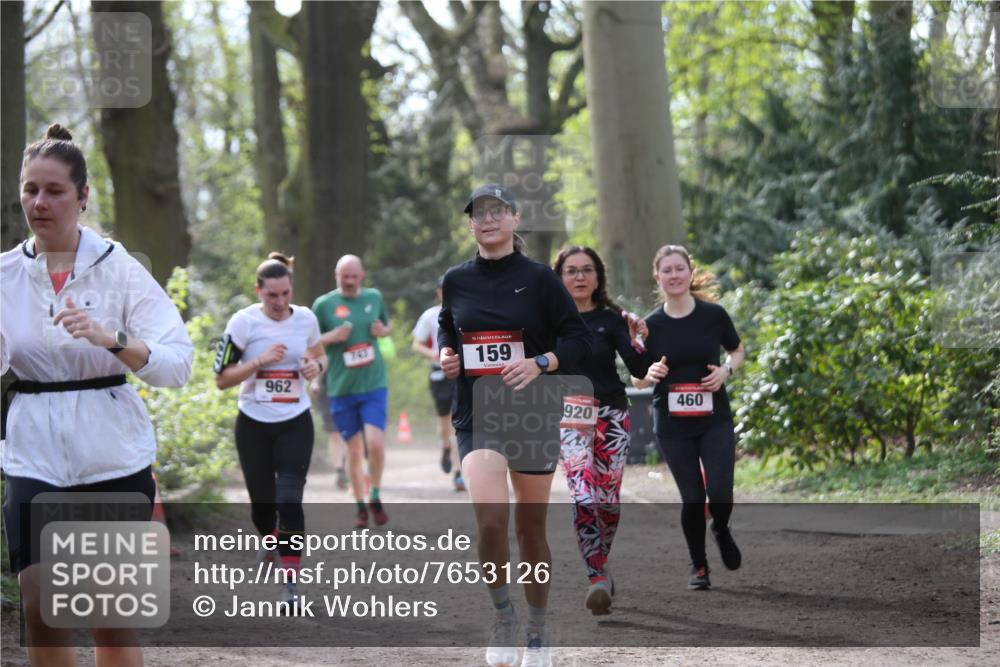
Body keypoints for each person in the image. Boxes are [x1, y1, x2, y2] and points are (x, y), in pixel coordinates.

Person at [1, 123, 193, 666]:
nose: (40, 202)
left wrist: (113, 340)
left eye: (55, 191)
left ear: (82, 197)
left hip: (112, 453)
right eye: (30, 189)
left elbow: (177, 365)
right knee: (40, 607)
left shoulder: (121, 271)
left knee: (108, 620)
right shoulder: (5, 276)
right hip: (32, 451)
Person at [438, 184, 591, 667]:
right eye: (478, 214)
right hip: (477, 414)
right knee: (489, 521)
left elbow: (578, 340)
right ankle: (503, 618)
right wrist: (447, 353)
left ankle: (538, 632)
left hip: (531, 412)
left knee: (529, 530)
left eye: (496, 212)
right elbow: (448, 325)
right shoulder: (457, 279)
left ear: (514, 219)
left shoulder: (542, 279)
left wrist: (541, 362)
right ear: (469, 225)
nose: (487, 220)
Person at [215, 252, 325, 607]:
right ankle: (272, 539)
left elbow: (320, 355)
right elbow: (221, 379)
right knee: (263, 507)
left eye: (285, 294)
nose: (279, 303)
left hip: (295, 420)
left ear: (292, 288)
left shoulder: (306, 318)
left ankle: (290, 582)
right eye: (271, 296)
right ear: (257, 291)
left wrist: (315, 369)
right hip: (254, 424)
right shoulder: (243, 323)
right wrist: (259, 362)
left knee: (290, 497)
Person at [632, 244, 746, 590]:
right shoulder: (650, 326)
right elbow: (636, 377)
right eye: (666, 270)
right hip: (672, 423)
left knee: (721, 490)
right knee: (693, 497)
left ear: (690, 272)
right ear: (657, 277)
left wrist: (726, 371)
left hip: (714, 417)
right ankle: (699, 566)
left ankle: (721, 528)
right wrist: (648, 372)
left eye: (679, 269)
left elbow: (737, 350)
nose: (674, 275)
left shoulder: (713, 315)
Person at [552, 246, 651, 614]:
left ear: (598, 277)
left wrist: (640, 336)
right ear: (559, 277)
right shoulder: (549, 321)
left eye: (586, 270)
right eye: (571, 270)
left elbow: (639, 366)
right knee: (583, 494)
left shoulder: (612, 319)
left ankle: (601, 564)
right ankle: (595, 576)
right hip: (569, 417)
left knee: (607, 502)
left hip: (612, 416)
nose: (579, 277)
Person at [313, 255, 392, 528]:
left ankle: (376, 495)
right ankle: (360, 505)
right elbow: (310, 341)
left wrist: (383, 331)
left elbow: (386, 327)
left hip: (373, 385)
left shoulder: (374, 297)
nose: (348, 281)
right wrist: (331, 337)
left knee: (376, 444)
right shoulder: (324, 305)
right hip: (341, 387)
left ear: (362, 276)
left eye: (353, 276)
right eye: (343, 276)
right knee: (354, 451)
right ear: (336, 275)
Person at [411, 278, 465, 492]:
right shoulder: (430, 315)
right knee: (445, 425)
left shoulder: (466, 311)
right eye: (444, 290)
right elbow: (416, 344)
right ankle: (445, 447)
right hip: (438, 375)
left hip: (462, 374)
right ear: (438, 292)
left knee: (458, 423)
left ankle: (458, 473)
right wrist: (432, 353)